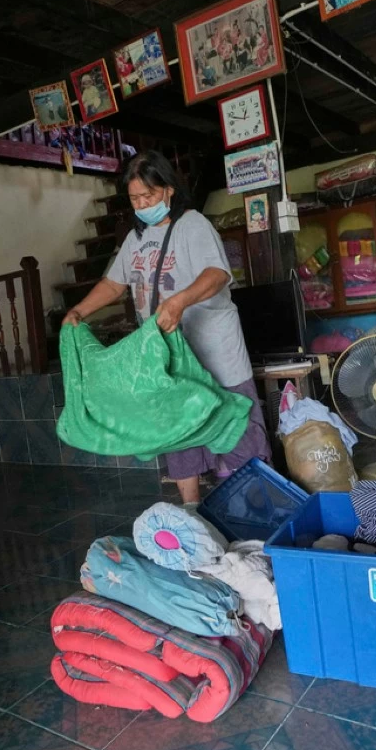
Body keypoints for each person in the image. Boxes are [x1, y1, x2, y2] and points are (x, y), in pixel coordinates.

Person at [63, 151, 271, 504]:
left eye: (149, 196)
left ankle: (257, 503)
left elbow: (217, 275)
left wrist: (179, 301)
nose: (143, 204)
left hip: (216, 350)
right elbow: (114, 284)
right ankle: (191, 509)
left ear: (169, 190)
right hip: (168, 353)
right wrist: (79, 311)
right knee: (175, 427)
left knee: (237, 421)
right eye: (135, 199)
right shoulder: (136, 239)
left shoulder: (193, 226)